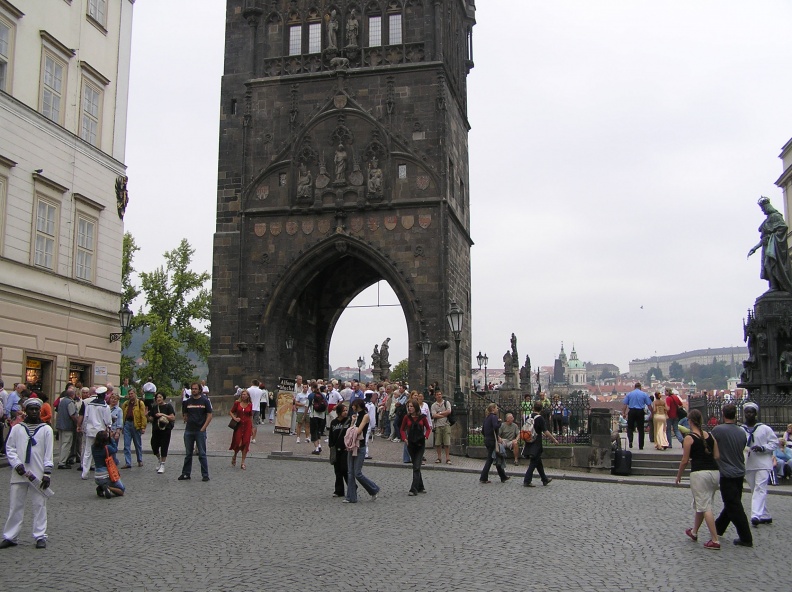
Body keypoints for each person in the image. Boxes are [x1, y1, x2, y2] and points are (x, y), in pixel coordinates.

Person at [1, 398, 53, 549]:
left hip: (38, 474)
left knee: (39, 505)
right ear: (26, 411)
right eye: (31, 409)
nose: (34, 412)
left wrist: (47, 473)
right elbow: (10, 448)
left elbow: (48, 453)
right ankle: (11, 536)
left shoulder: (46, 429)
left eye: (37, 409)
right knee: (15, 505)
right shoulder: (17, 428)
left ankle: (40, 535)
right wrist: (16, 464)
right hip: (19, 474)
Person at [675, 409, 721, 550]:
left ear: (689, 421)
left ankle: (715, 540)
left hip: (700, 474)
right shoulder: (710, 436)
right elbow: (717, 456)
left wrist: (679, 476)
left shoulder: (689, 438)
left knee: (705, 506)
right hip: (714, 472)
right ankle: (694, 532)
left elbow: (684, 460)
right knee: (701, 502)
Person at [711, 404, 752, 547]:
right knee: (733, 502)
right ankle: (718, 527)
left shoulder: (718, 430)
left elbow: (711, 446)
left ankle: (746, 537)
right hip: (739, 471)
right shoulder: (741, 432)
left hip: (726, 472)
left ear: (723, 414)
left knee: (733, 505)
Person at [741, 402, 778, 526]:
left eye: (751, 412)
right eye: (747, 412)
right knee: (754, 489)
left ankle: (755, 515)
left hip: (763, 463)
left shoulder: (765, 428)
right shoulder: (741, 430)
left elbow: (774, 443)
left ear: (755, 413)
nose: (749, 414)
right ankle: (765, 515)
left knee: (760, 488)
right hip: (749, 463)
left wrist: (763, 448)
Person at [747, 196, 792, 292]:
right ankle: (773, 286)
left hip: (775, 247)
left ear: (767, 207)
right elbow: (764, 238)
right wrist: (755, 248)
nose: (763, 211)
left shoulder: (776, 216)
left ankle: (775, 287)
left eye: (763, 208)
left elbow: (783, 228)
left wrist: (772, 237)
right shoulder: (767, 219)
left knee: (769, 264)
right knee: (767, 265)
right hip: (768, 246)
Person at [344, 398, 380, 503]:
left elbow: (358, 431)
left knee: (357, 473)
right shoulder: (356, 416)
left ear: (357, 405)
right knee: (350, 472)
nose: (352, 407)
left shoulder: (365, 416)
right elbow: (351, 429)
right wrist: (352, 422)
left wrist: (352, 429)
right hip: (352, 445)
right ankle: (351, 497)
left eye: (353, 405)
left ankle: (374, 489)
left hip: (360, 446)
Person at [179, 382, 213, 482]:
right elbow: (185, 414)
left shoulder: (205, 401)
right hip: (189, 430)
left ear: (199, 390)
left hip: (200, 430)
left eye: (195, 389)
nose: (194, 390)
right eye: (192, 389)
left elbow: (209, 415)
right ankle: (186, 473)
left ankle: (205, 475)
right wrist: (187, 420)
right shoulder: (188, 402)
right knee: (188, 454)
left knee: (202, 454)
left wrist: (203, 427)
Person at [522, 401, 559, 487]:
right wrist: (554, 440)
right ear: (541, 409)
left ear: (533, 408)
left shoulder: (529, 416)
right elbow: (545, 431)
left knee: (538, 462)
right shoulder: (540, 418)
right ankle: (527, 480)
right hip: (536, 442)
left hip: (529, 440)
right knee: (534, 462)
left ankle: (544, 479)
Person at [78, 386, 112, 479]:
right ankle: (101, 471)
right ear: (104, 395)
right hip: (100, 432)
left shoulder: (90, 405)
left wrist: (84, 428)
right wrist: (109, 428)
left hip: (90, 430)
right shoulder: (105, 407)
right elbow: (108, 421)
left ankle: (85, 473)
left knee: (87, 452)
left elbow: (86, 418)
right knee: (101, 451)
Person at [400, 400, 431, 496]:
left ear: (416, 407)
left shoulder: (422, 417)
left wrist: (426, 436)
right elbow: (402, 429)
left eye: (411, 406)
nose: (409, 408)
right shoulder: (406, 417)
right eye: (409, 406)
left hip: (420, 444)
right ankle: (421, 486)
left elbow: (428, 428)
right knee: (415, 465)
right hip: (411, 444)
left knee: (417, 466)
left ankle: (413, 489)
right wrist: (405, 439)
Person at [479, 403, 509, 484]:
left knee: (497, 457)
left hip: (487, 440)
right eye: (496, 408)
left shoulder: (487, 418)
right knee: (490, 459)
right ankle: (483, 477)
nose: (497, 409)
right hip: (492, 441)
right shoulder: (494, 417)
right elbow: (495, 426)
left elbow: (483, 431)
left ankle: (503, 476)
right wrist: (500, 422)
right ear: (493, 409)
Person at [91, 431, 124, 498]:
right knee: (121, 490)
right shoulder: (107, 448)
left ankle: (101, 487)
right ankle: (108, 488)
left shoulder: (93, 447)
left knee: (103, 482)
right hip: (106, 476)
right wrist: (111, 439)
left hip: (97, 476)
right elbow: (115, 449)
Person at [148, 393, 175, 474]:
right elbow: (151, 419)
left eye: (160, 397)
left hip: (166, 430)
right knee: (154, 446)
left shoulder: (168, 406)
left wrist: (162, 414)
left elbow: (172, 418)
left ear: (163, 398)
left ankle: (162, 464)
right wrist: (146, 416)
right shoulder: (154, 407)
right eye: (157, 397)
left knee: (164, 446)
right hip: (156, 429)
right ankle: (159, 460)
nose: (158, 398)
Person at [121, 388, 147, 469]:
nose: (130, 395)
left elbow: (143, 416)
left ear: (135, 394)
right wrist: (122, 426)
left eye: (132, 393)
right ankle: (128, 462)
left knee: (137, 444)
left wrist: (143, 427)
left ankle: (139, 460)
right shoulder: (126, 404)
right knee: (126, 444)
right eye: (129, 394)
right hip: (127, 424)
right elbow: (123, 415)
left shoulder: (140, 403)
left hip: (136, 425)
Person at [622, 382, 653, 450]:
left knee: (630, 427)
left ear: (634, 387)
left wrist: (623, 413)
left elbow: (625, 405)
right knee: (641, 428)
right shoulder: (644, 394)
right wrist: (652, 413)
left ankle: (630, 441)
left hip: (632, 411)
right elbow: (649, 405)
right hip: (640, 411)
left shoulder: (629, 394)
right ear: (640, 387)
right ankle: (641, 445)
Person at [329, 403, 351, 497]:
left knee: (344, 469)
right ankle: (339, 490)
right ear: (339, 412)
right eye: (343, 411)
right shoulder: (333, 422)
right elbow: (331, 435)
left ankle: (351, 487)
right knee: (337, 470)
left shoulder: (349, 421)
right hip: (336, 448)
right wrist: (331, 446)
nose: (345, 412)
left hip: (345, 449)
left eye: (346, 410)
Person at [229, 389, 254, 470]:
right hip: (239, 425)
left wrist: (252, 427)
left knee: (246, 443)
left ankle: (243, 462)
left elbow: (250, 416)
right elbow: (231, 412)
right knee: (238, 443)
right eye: (242, 394)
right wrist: (235, 418)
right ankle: (235, 455)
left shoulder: (250, 405)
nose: (244, 396)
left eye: (245, 394)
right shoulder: (237, 403)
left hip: (247, 425)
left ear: (248, 396)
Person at [55, 387, 78, 469]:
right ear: (73, 395)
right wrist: (77, 423)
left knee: (62, 444)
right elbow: (72, 415)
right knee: (66, 444)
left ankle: (61, 460)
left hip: (60, 425)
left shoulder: (62, 401)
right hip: (67, 426)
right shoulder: (70, 402)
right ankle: (62, 462)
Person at [431, 390, 452, 464]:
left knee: (447, 443)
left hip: (446, 424)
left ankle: (447, 458)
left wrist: (439, 413)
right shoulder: (433, 405)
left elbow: (449, 411)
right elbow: (434, 415)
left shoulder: (446, 403)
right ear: (435, 396)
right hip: (438, 425)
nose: (439, 396)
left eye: (440, 394)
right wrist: (444, 415)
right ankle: (439, 457)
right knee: (438, 443)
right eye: (437, 394)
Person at [309, 384, 328, 456]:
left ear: (312, 388)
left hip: (314, 415)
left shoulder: (311, 396)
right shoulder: (323, 395)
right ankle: (319, 445)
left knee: (313, 431)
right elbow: (326, 404)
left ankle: (316, 448)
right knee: (319, 431)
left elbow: (307, 406)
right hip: (322, 416)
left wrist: (304, 416)